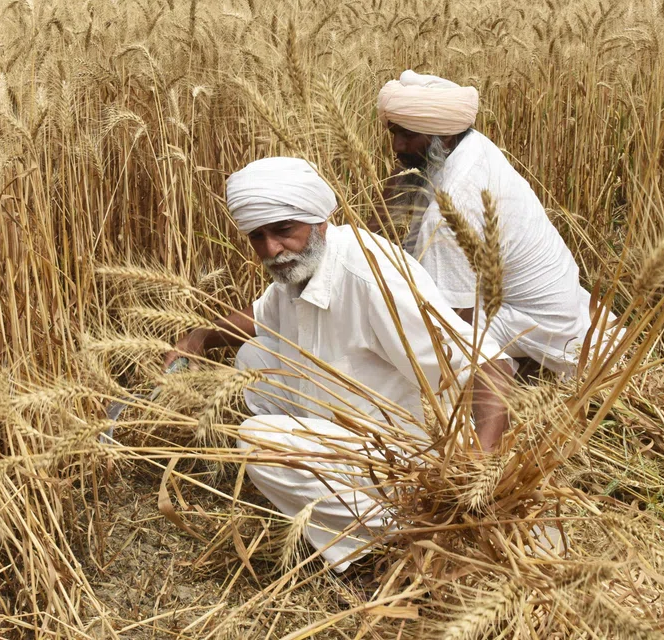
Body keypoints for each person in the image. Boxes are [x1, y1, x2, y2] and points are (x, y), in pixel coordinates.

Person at [165, 157, 514, 571]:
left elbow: (488, 362)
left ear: (319, 221)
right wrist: (200, 337)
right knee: (252, 359)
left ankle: (387, 531)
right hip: (343, 418)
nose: (271, 250)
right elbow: (260, 318)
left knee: (257, 441)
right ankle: (325, 488)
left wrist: (477, 464)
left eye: (283, 231)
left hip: (399, 453)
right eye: (257, 237)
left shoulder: (371, 279)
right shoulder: (301, 267)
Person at [373, 70, 618, 378]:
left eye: (407, 136)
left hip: (542, 327)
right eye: (393, 133)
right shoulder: (471, 146)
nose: (396, 146)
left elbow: (451, 316)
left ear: (443, 136)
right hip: (558, 301)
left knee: (404, 325)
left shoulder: (453, 209)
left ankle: (501, 374)